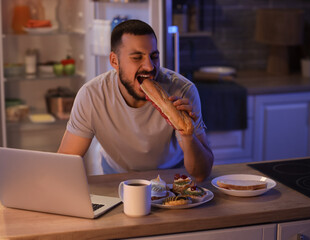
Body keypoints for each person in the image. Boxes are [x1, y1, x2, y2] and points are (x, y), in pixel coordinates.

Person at [57, 19, 213, 182]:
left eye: (154, 56)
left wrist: (187, 135)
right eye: (137, 57)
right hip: (117, 179)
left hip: (173, 180)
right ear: (114, 61)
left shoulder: (182, 91)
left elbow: (202, 173)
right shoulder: (92, 95)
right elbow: (66, 161)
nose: (150, 66)